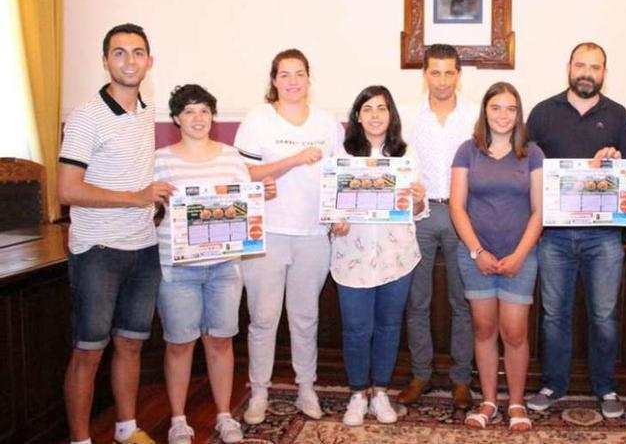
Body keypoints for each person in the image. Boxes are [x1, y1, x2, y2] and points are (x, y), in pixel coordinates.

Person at [58, 23, 173, 444]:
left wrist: (152, 198)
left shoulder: (146, 110)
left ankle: (127, 428)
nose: (129, 60)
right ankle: (81, 439)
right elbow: (67, 191)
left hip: (143, 247)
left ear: (149, 61)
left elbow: (136, 173)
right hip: (98, 250)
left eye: (137, 52)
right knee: (89, 350)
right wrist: (135, 197)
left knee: (131, 344)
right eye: (119, 53)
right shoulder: (86, 117)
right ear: (105, 61)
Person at [153, 85, 277, 444]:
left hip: (224, 267)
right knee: (179, 344)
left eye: (204, 111)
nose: (198, 119)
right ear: (176, 118)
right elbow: (150, 210)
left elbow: (245, 207)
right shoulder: (160, 160)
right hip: (176, 269)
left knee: (221, 342)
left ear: (213, 116)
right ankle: (178, 419)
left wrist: (260, 196)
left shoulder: (230, 156)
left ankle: (224, 415)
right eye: (189, 111)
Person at [525, 42, 626, 418]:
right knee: (554, 315)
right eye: (581, 65)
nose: (587, 72)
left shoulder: (619, 116)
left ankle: (605, 388)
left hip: (603, 236)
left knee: (604, 316)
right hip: (554, 234)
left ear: (604, 72)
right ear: (569, 68)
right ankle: (552, 385)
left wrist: (616, 164)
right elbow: (525, 169)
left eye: (595, 67)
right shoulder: (543, 113)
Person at [233, 49, 344, 424]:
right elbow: (244, 173)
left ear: (308, 79)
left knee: (305, 316)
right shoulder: (257, 120)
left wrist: (338, 217)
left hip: (314, 235)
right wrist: (294, 160)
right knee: (263, 318)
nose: (293, 81)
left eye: (299, 74)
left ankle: (305, 387)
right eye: (285, 74)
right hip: (266, 234)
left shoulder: (328, 124)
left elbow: (340, 177)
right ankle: (259, 392)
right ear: (274, 80)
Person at [329, 86, 427, 427]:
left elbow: (418, 205)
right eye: (367, 108)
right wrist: (335, 221)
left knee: (387, 326)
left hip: (396, 255)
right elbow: (329, 203)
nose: (374, 115)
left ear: (391, 114)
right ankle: (358, 394)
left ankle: (381, 392)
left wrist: (416, 199)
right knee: (357, 328)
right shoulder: (341, 152)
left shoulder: (406, 153)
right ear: (357, 115)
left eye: (381, 108)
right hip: (351, 255)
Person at [449, 82, 544, 431]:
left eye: (510, 109)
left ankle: (516, 403)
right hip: (476, 257)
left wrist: (520, 254)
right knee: (484, 328)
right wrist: (477, 252)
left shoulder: (532, 153)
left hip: (520, 257)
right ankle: (489, 401)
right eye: (496, 108)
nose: (503, 115)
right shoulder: (466, 151)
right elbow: (457, 207)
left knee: (515, 332)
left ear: (519, 114)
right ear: (485, 111)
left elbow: (539, 212)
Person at [398, 44, 477, 409]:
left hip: (463, 214)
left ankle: (461, 379)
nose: (442, 81)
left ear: (459, 75)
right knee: (418, 301)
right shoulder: (407, 116)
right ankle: (421, 374)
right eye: (435, 72)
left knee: (462, 301)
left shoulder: (476, 116)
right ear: (424, 75)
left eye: (449, 72)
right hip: (420, 214)